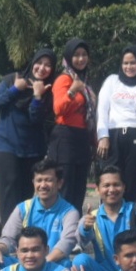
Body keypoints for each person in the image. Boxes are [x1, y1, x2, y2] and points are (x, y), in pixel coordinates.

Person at [0, 48, 57, 225]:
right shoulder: (13, 78)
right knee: (9, 187)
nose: (42, 68)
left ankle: (20, 232)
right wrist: (14, 90)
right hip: (5, 145)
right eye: (39, 63)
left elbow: (37, 119)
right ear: (32, 63)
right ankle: (5, 234)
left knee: (26, 192)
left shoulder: (49, 91)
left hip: (32, 149)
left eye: (48, 65)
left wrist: (37, 95)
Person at [73, 166, 136, 271]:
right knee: (80, 261)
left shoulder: (135, 209)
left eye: (116, 185)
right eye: (106, 185)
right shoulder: (91, 217)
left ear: (124, 187)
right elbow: (81, 241)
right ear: (97, 190)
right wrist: (86, 229)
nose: (112, 189)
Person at [0, 159, 79, 271]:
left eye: (48, 180)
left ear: (59, 183)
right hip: (24, 263)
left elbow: (67, 243)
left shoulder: (70, 212)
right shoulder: (23, 208)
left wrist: (41, 264)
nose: (43, 185)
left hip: (53, 265)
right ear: (33, 183)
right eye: (39, 180)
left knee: (69, 265)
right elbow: (8, 238)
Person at [97, 44, 136, 203]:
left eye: (133, 63)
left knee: (131, 186)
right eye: (125, 63)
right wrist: (103, 136)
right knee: (109, 183)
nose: (129, 67)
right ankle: (105, 224)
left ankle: (130, 224)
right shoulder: (112, 80)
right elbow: (102, 110)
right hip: (113, 135)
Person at [50, 38, 97, 212]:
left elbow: (90, 115)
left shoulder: (85, 82)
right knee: (65, 189)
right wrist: (72, 90)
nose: (81, 58)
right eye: (76, 55)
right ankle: (60, 231)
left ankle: (73, 232)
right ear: (69, 57)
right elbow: (58, 109)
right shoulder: (64, 79)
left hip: (82, 139)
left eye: (84, 55)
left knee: (79, 191)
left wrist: (95, 141)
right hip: (65, 137)